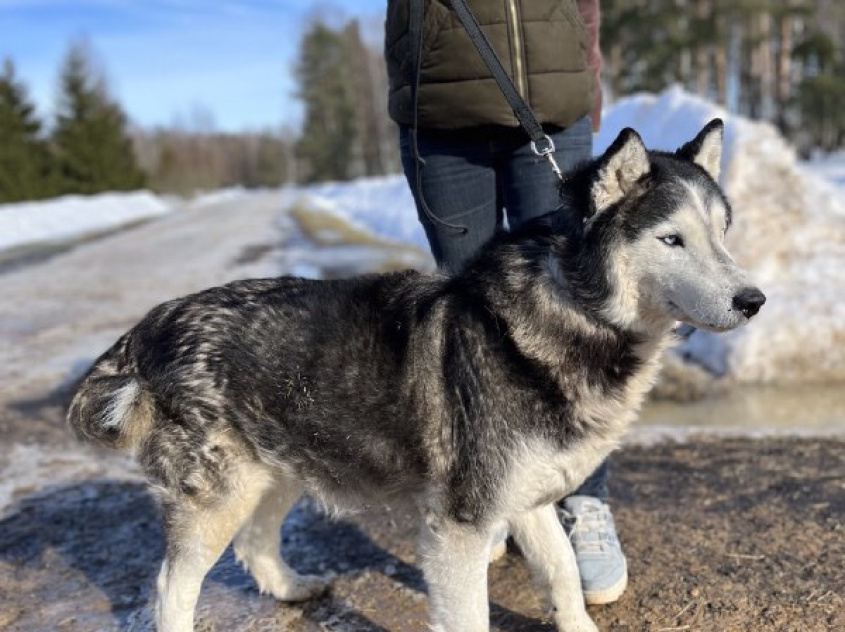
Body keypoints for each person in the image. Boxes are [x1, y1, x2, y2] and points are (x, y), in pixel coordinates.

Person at [384, 0, 627, 605]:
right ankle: (483, 483)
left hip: (553, 102)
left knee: (578, 312)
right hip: (441, 114)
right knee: (469, 324)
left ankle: (584, 499)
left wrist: (583, 79)